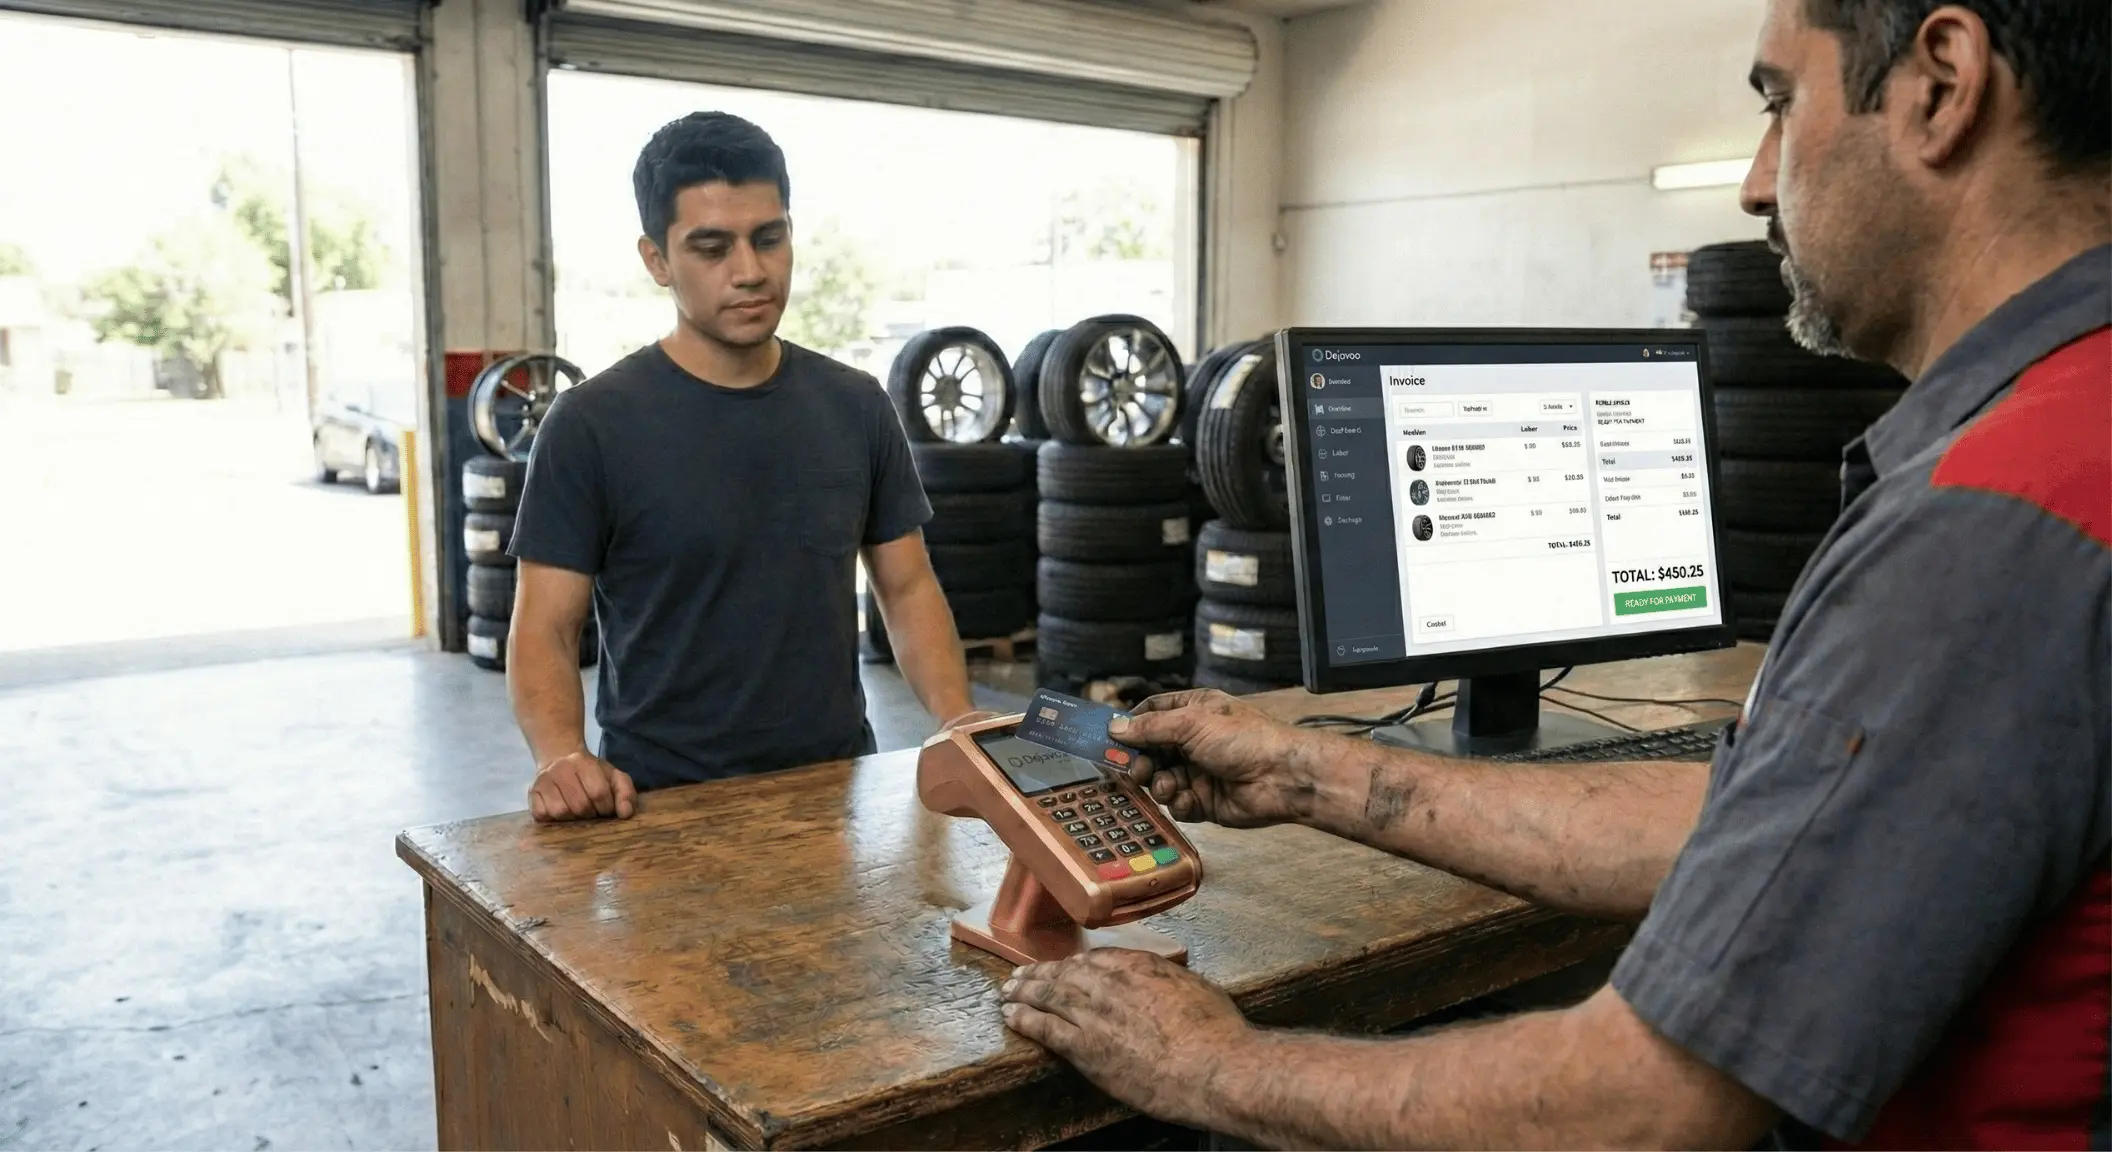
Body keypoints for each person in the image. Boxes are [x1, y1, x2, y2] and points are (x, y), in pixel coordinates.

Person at [997, 0, 2109, 1146]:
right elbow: (1763, 830)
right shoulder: (2075, 436)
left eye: (1780, 103)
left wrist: (1212, 1067)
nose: (1756, 183)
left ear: (1942, 82)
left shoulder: (1998, 521)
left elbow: (1638, 1107)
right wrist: (1305, 773)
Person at [507, 112, 990, 822]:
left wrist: (957, 717)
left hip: (835, 791)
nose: (750, 271)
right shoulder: (590, 426)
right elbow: (544, 626)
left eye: (769, 237)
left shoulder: (855, 406)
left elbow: (908, 586)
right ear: (657, 260)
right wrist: (559, 753)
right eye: (711, 247)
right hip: (659, 804)